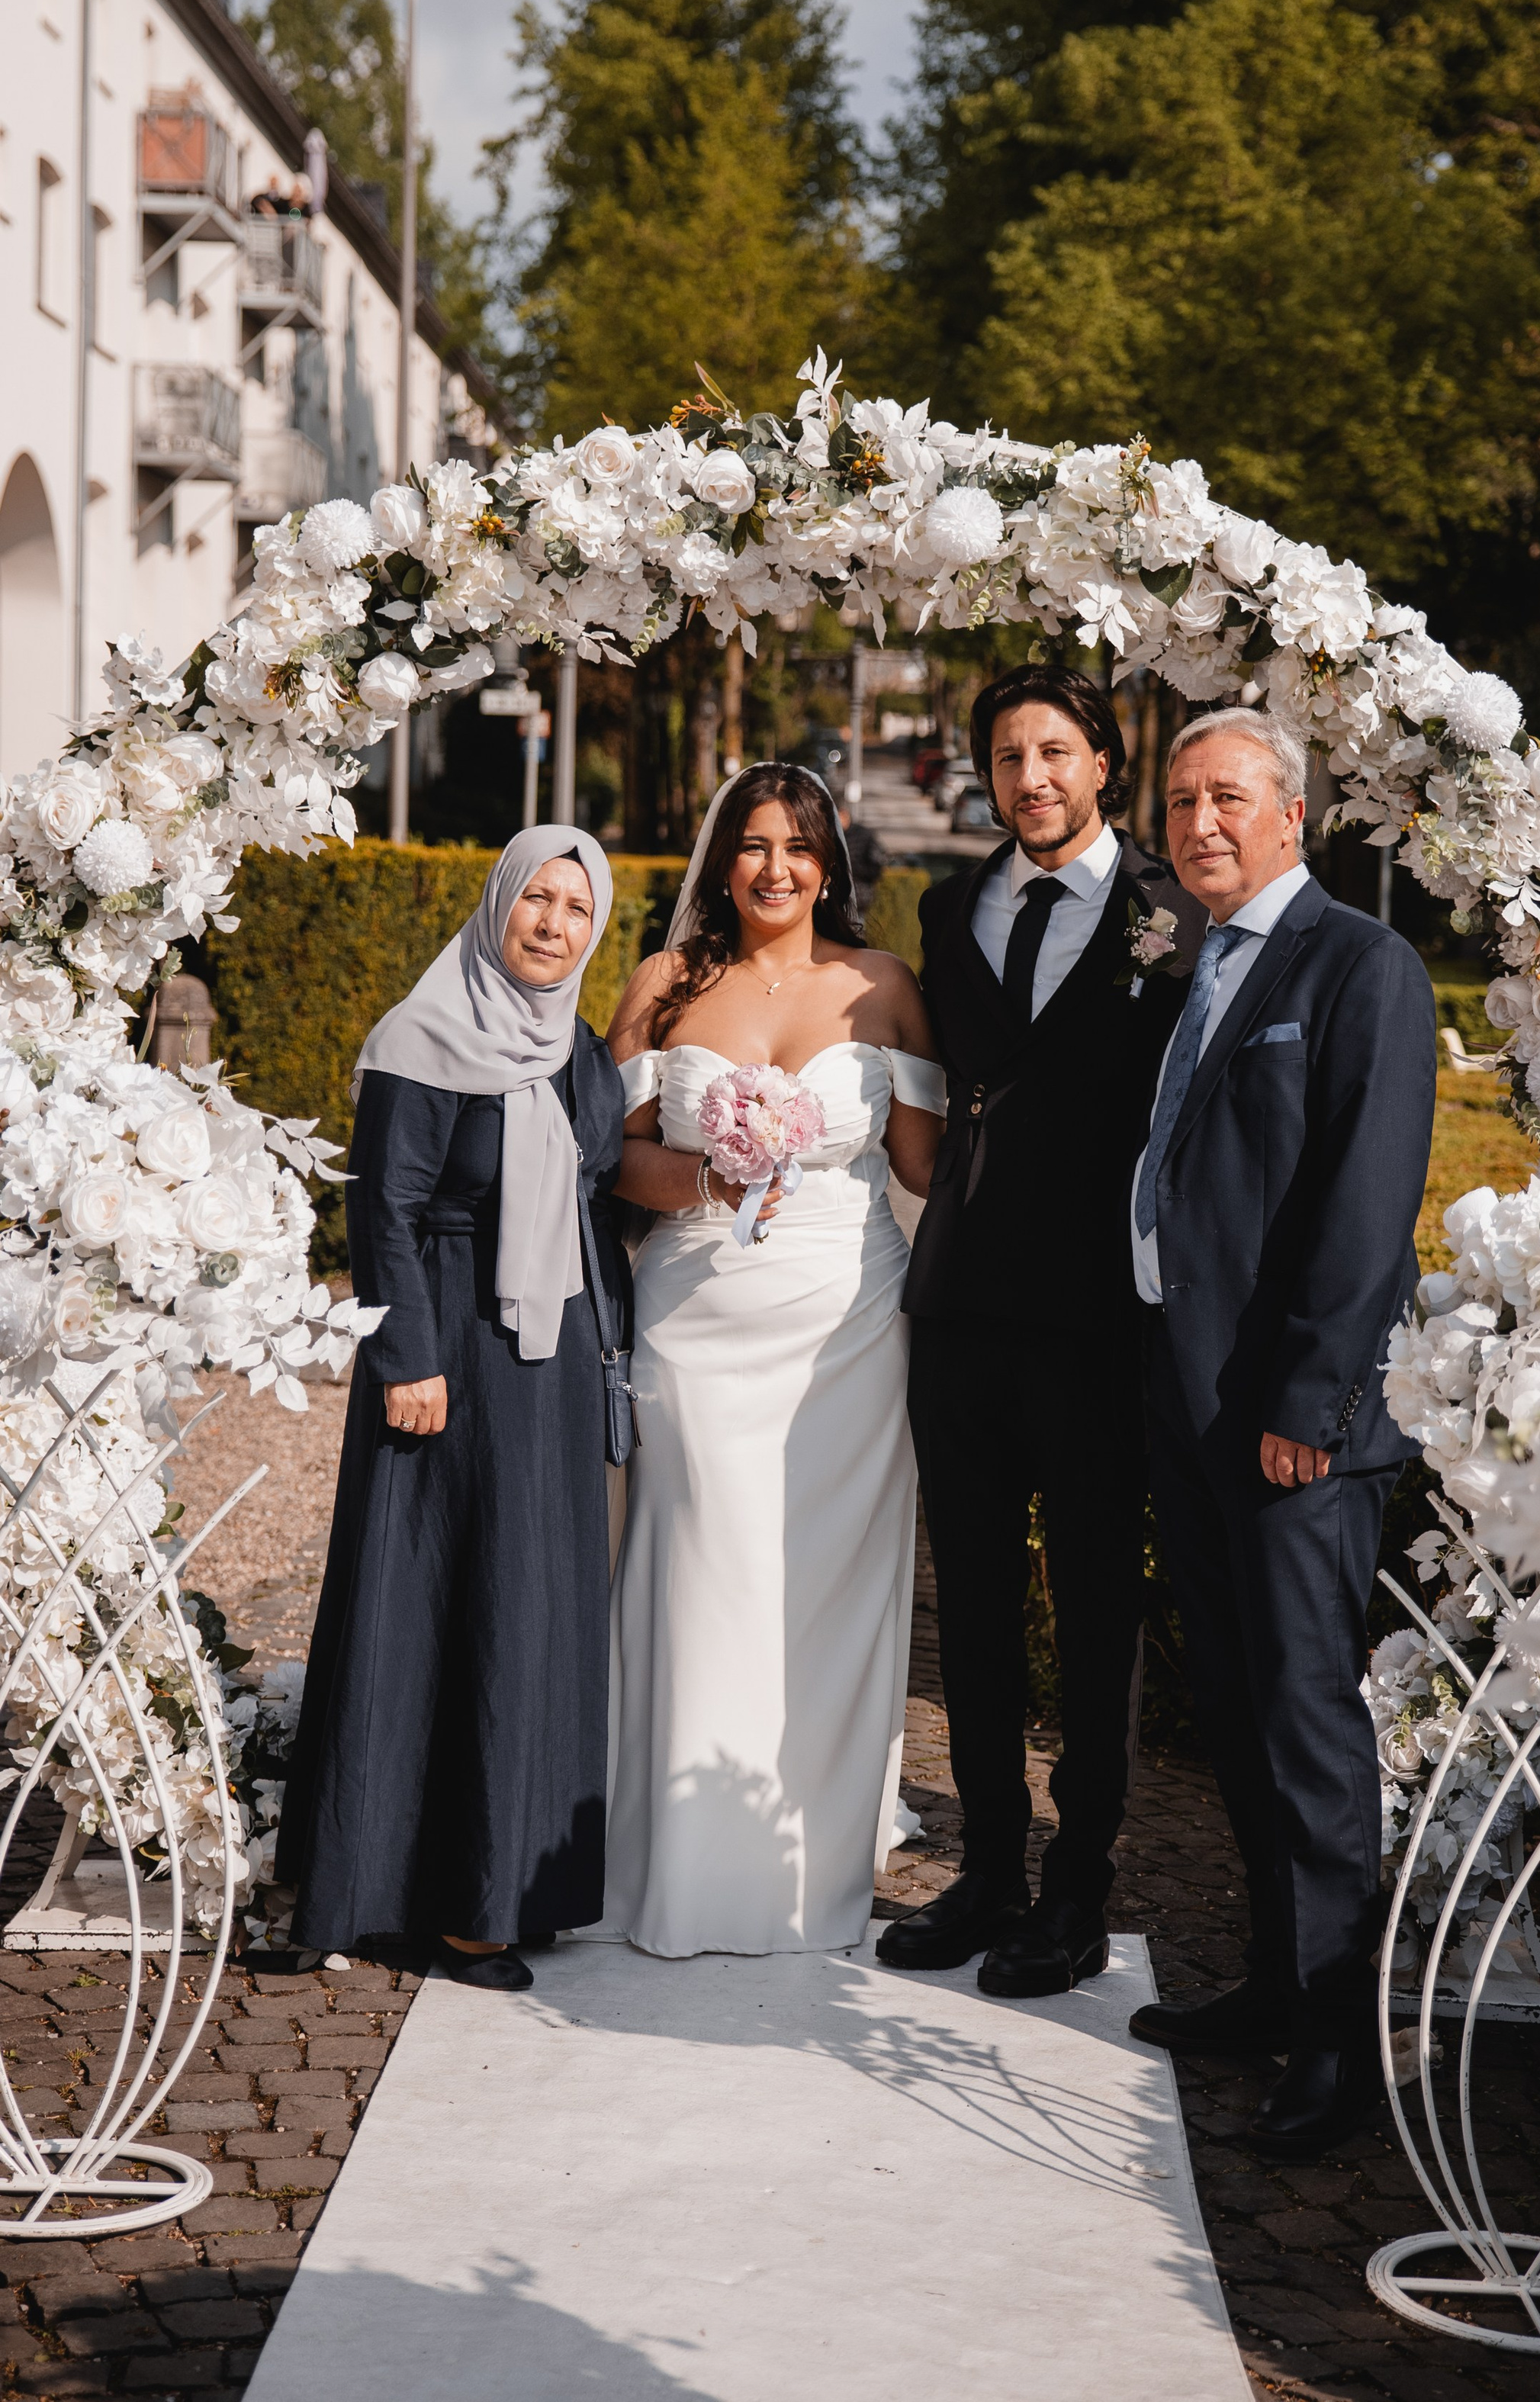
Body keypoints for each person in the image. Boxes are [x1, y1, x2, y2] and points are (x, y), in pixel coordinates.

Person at [1124, 709, 1435, 2156]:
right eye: (1181, 800)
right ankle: (1267, 1986)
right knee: (1240, 1720)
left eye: (1227, 798)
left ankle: (1337, 2038)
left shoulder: (1361, 965)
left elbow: (1364, 1215)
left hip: (1293, 1432)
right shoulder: (1199, 966)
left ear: (1292, 814)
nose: (1199, 823)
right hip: (1190, 1415)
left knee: (1310, 1731)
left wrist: (1310, 1409)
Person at [884, 665, 1202, 1997]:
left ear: (1104, 767)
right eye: (1010, 756)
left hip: (1093, 1323)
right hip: (957, 1308)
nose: (1032, 779)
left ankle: (1078, 1886)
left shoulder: (1176, 919)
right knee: (969, 1597)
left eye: (1056, 753)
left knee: (1091, 1607)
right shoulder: (948, 908)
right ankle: (992, 1868)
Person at [596, 763, 947, 1956]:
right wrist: (710, 1174)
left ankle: (810, 1868)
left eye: (799, 846)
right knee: (702, 1569)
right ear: (721, 858)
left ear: (832, 860)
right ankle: (682, 1871)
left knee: (823, 1587)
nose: (776, 868)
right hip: (695, 1321)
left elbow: (923, 1165)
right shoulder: (662, 982)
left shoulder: (886, 986)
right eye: (752, 845)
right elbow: (613, 1160)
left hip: (850, 1329)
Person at [278, 828, 631, 1992]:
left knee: (521, 1614)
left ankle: (495, 1895)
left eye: (577, 909)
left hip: (548, 1364)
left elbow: (599, 1197)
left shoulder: (579, 1053)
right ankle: (375, 1890)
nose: (552, 924)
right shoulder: (422, 1036)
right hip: (444, 1356)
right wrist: (408, 1361)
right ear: (496, 906)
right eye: (535, 898)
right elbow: (382, 1214)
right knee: (416, 1602)